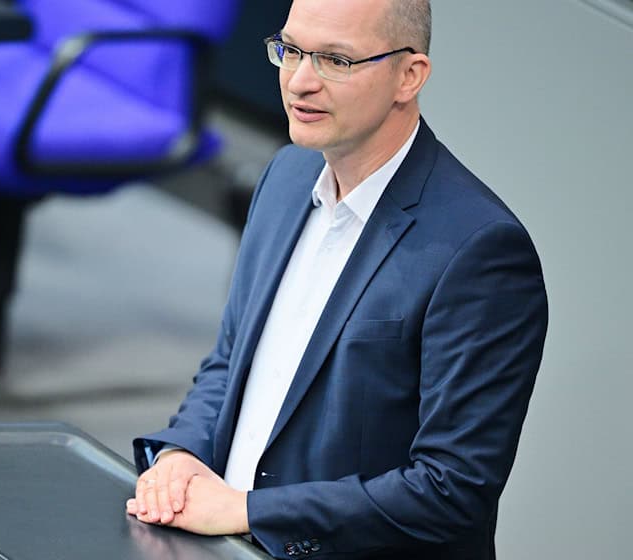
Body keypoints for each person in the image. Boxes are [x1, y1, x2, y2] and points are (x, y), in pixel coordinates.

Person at [124, 0, 549, 558]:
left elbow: (451, 489)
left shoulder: (481, 251)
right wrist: (183, 457)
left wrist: (248, 511)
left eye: (336, 61)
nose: (300, 81)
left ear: (409, 75)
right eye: (292, 50)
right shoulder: (285, 175)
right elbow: (233, 362)